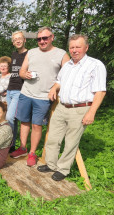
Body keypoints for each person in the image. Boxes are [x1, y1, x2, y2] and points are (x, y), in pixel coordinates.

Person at [37, 34, 106, 181]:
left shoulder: (95, 65)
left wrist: (91, 112)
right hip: (62, 106)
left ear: (86, 48)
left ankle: (63, 169)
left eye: (78, 47)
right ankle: (51, 164)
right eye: (72, 47)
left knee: (71, 141)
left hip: (80, 109)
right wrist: (54, 88)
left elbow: (100, 91)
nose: (74, 50)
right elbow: (59, 81)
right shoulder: (67, 65)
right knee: (52, 138)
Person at [11, 26, 70, 167]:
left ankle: (32, 153)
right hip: (26, 92)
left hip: (44, 97)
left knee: (37, 125)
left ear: (52, 37)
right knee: (24, 121)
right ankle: (22, 148)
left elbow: (68, 76)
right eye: (39, 39)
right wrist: (24, 74)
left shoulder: (61, 54)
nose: (42, 41)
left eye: (45, 38)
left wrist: (56, 87)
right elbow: (21, 71)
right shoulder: (31, 52)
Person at [6, 31, 28, 152]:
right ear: (13, 42)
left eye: (19, 38)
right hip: (10, 90)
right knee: (12, 119)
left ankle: (9, 142)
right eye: (15, 39)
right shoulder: (14, 54)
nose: (17, 41)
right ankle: (12, 145)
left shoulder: (29, 54)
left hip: (20, 90)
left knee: (9, 117)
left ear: (24, 40)